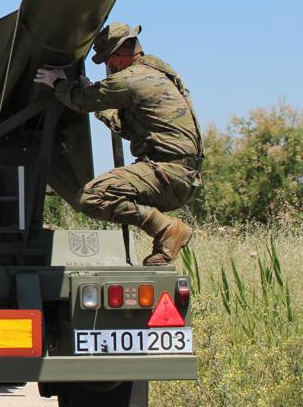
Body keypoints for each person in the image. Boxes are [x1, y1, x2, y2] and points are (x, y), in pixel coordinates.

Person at [34, 23, 202, 266]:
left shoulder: (131, 78)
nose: (108, 69)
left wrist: (58, 83)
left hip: (167, 173)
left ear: (115, 58)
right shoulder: (157, 74)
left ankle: (167, 229)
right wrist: (91, 92)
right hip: (182, 176)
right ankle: (165, 241)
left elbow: (82, 101)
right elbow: (128, 127)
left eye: (107, 62)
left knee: (92, 196)